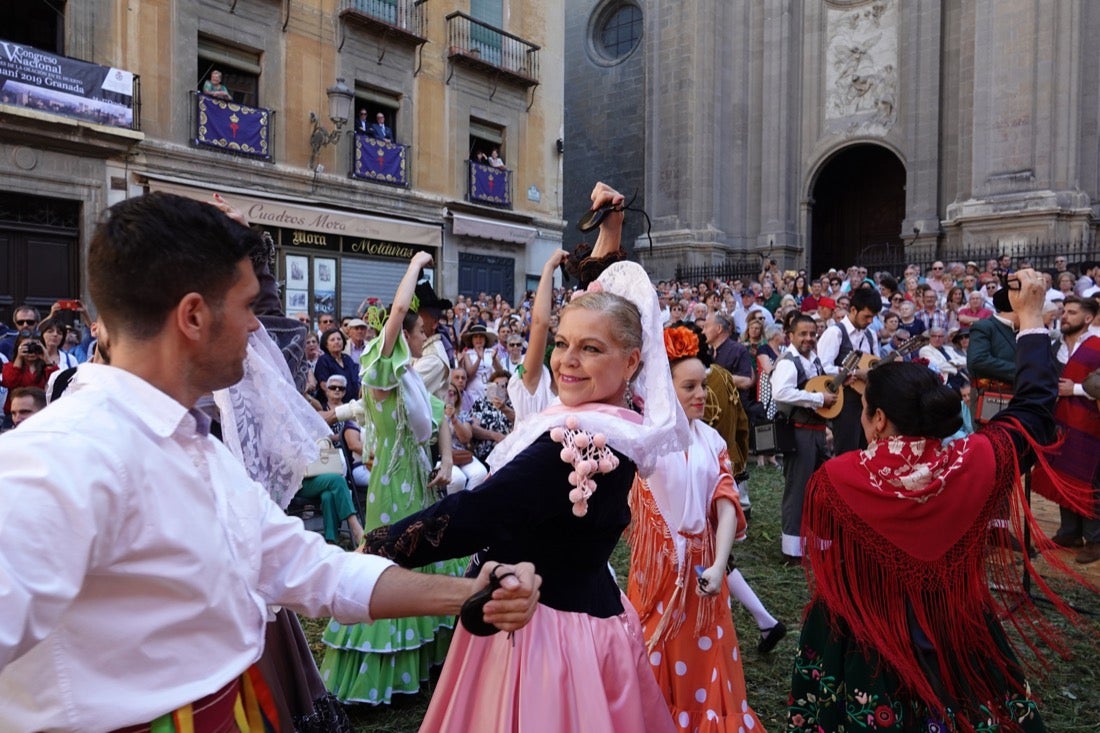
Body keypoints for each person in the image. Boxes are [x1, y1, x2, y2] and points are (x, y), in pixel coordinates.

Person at [0, 192, 541, 732]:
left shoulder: (194, 446)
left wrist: (469, 595)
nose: (258, 328)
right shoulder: (61, 458)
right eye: (248, 307)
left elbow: (307, 568)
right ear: (192, 316)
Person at [360, 183, 689, 732]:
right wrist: (611, 233)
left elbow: (476, 514)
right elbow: (613, 309)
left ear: (632, 362)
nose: (567, 360)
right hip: (581, 616)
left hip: (545, 635)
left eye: (590, 349)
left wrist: (374, 548)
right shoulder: (620, 418)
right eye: (562, 343)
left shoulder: (582, 441)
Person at [787, 268, 1086, 731]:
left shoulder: (835, 480)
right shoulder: (976, 461)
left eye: (864, 410)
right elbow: (1034, 414)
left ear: (879, 419)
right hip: (957, 635)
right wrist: (1030, 320)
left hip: (866, 644)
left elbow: (834, 567)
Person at [320, 252, 467, 705]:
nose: (426, 333)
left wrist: (444, 462)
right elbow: (399, 311)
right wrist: (416, 265)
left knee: (423, 556)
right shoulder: (383, 370)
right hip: (392, 483)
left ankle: (422, 664)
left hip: (418, 479)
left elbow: (439, 419)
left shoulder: (408, 378)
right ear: (402, 336)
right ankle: (382, 670)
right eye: (420, 330)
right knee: (397, 561)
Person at [626, 325, 763, 730]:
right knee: (653, 647)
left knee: (704, 656)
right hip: (656, 572)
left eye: (702, 384)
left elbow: (725, 504)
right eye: (689, 387)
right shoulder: (643, 441)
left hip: (702, 572)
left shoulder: (712, 442)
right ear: (665, 390)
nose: (702, 394)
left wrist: (720, 565)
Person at [1033, 295, 1100, 563]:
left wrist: (1077, 389)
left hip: (1090, 422)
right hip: (1058, 420)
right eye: (1064, 311)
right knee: (1062, 474)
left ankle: (1095, 540)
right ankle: (1070, 532)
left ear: (1087, 318)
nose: (1065, 316)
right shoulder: (1053, 345)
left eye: (1072, 312)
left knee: (1090, 479)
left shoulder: (1098, 345)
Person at [772, 314, 836, 562]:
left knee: (821, 489)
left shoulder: (814, 360)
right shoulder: (788, 362)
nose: (809, 338)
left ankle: (819, 543)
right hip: (799, 431)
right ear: (791, 335)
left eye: (813, 334)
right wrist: (818, 399)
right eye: (803, 334)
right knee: (797, 489)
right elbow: (781, 392)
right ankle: (792, 550)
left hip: (817, 432)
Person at [816, 286, 882, 455]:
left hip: (866, 399)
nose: (869, 321)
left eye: (872, 317)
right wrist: (855, 373)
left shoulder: (870, 334)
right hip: (844, 400)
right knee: (846, 449)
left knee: (866, 448)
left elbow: (875, 363)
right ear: (853, 310)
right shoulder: (835, 333)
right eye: (866, 316)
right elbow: (824, 366)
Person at [1, 332, 57, 421]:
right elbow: (10, 382)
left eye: (35, 348)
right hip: (15, 414)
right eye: (26, 347)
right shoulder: (10, 367)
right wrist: (19, 358)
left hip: (41, 412)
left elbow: (56, 383)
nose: (31, 351)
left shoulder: (47, 367)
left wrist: (47, 359)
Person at [314, 327, 360, 402]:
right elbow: (324, 385)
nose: (337, 342)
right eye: (332, 340)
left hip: (352, 402)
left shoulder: (347, 359)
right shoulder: (324, 360)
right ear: (326, 344)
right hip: (334, 404)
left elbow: (355, 380)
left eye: (339, 339)